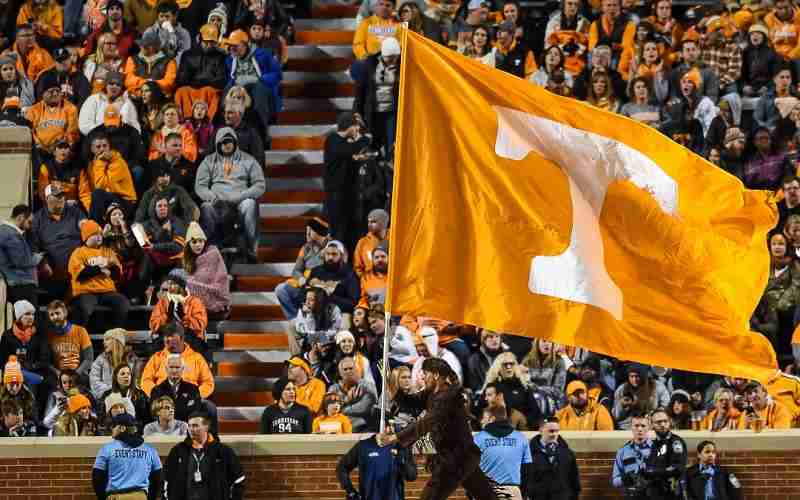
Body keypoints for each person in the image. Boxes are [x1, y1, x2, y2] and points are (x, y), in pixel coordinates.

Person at [377, 358, 496, 500]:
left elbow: (427, 422)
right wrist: (391, 383)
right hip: (462, 458)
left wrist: (394, 437)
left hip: (455, 460)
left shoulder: (449, 396)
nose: (422, 377)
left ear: (436, 375)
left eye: (425, 373)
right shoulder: (431, 393)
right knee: (487, 497)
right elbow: (410, 403)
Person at [195, 127, 265, 262]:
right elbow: (200, 186)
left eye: (228, 142)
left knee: (250, 204)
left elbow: (260, 185)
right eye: (221, 143)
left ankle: (252, 249)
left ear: (235, 142)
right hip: (217, 203)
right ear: (217, 144)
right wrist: (212, 197)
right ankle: (210, 248)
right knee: (205, 207)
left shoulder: (248, 160)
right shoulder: (208, 161)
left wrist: (243, 195)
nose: (225, 145)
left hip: (240, 201)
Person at [67, 219, 129, 329]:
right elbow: (81, 274)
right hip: (85, 292)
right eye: (95, 234)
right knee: (83, 308)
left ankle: (114, 335)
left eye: (100, 234)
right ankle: (79, 338)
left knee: (122, 303)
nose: (99, 237)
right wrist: (101, 268)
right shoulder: (78, 253)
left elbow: (117, 273)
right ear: (87, 238)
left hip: (107, 291)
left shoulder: (108, 251)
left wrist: (96, 269)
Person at [223, 28, 281, 138]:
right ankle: (228, 131)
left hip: (259, 85)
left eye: (236, 45)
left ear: (245, 45)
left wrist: (259, 80)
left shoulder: (263, 54)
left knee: (259, 91)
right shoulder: (230, 60)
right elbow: (231, 78)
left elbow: (277, 73)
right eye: (231, 45)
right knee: (227, 93)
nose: (232, 48)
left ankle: (262, 133)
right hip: (239, 86)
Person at [324, 113, 371, 247]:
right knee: (338, 231)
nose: (357, 130)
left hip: (347, 194)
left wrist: (358, 159)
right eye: (356, 127)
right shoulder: (333, 140)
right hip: (336, 195)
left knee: (349, 231)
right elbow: (351, 149)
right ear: (349, 127)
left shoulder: (343, 143)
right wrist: (366, 138)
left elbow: (348, 156)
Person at [93, 412, 162, 500]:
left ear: (122, 428)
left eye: (114, 426)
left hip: (116, 496)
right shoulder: (150, 450)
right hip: (141, 496)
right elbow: (158, 478)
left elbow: (97, 478)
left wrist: (102, 497)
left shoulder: (107, 449)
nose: (112, 429)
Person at [337, 427, 417, 500]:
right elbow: (342, 467)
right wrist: (351, 492)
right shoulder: (364, 446)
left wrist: (401, 456)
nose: (391, 428)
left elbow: (411, 476)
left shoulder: (401, 447)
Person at [276, 217, 330, 321]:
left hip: (321, 286)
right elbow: (296, 270)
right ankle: (297, 320)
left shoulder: (331, 247)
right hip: (305, 284)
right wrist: (301, 279)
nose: (307, 233)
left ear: (319, 232)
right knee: (281, 289)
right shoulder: (306, 248)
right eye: (306, 230)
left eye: (310, 230)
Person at [473, 405, 532, 500]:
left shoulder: (477, 439)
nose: (481, 421)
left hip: (485, 491)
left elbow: (471, 470)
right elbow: (527, 470)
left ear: (491, 419)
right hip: (512, 491)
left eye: (484, 418)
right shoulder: (521, 438)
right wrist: (523, 493)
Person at [149, 271, 209, 359]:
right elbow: (153, 325)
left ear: (182, 286)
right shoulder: (163, 302)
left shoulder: (195, 302)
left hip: (190, 338)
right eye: (169, 284)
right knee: (154, 348)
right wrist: (166, 317)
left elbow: (201, 324)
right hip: (167, 337)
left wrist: (184, 317)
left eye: (173, 284)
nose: (169, 287)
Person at [79, 133, 137, 222]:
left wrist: (100, 162)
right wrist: (90, 208)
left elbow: (102, 186)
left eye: (105, 146)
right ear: (92, 149)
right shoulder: (90, 165)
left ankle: (95, 228)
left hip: (125, 201)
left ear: (109, 147)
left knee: (98, 193)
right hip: (104, 200)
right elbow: (86, 193)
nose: (102, 149)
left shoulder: (117, 162)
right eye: (98, 147)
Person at [174, 23, 227, 122]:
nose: (209, 45)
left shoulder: (220, 56)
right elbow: (181, 79)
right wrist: (188, 79)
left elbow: (222, 79)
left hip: (209, 89)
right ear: (199, 39)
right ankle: (186, 120)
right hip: (190, 88)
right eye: (206, 41)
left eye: (212, 42)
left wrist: (202, 82)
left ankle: (207, 121)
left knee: (210, 92)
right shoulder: (188, 55)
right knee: (181, 91)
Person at [182, 222, 231, 316]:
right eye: (194, 242)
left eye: (201, 241)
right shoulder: (186, 260)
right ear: (188, 244)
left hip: (215, 301)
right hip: (194, 302)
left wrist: (191, 284)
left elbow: (221, 284)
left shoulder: (213, 254)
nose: (198, 245)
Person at [527, 417, 581, 500]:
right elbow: (526, 478)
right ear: (541, 430)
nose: (554, 434)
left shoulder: (567, 453)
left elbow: (574, 480)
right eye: (551, 431)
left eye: (557, 431)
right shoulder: (529, 453)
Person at [0, 300, 49, 388]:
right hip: (13, 375)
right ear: (19, 316)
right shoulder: (7, 335)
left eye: (32, 314)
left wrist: (32, 366)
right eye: (27, 314)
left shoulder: (39, 335)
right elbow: (2, 361)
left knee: (33, 381)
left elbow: (45, 360)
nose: (31, 317)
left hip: (34, 373)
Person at [45, 299, 94, 385]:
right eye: (51, 315)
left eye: (57, 313)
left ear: (65, 313)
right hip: (59, 374)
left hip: (79, 373)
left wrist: (76, 374)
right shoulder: (49, 335)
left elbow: (89, 358)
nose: (55, 317)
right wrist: (57, 373)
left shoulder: (80, 331)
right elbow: (47, 361)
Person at [135, 162, 198, 226]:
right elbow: (140, 214)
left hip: (175, 225)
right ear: (156, 178)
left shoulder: (178, 190)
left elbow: (190, 208)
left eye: (167, 175)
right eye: (161, 176)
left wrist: (189, 223)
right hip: (153, 227)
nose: (165, 178)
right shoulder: (148, 194)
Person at [0, 205, 39, 306]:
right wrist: (38, 258)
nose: (29, 226)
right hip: (21, 285)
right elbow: (21, 261)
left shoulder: (5, 232)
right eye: (29, 222)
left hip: (16, 284)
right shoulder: (10, 234)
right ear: (20, 218)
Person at [149, 353, 203, 425]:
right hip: (164, 431)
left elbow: (196, 413)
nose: (174, 371)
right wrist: (183, 410)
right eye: (171, 367)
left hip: (187, 430)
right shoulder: (157, 390)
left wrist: (168, 412)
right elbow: (155, 414)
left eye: (177, 367)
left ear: (183, 369)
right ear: (166, 369)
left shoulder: (193, 389)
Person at [646, 408, 687, 500]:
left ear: (670, 422)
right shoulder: (653, 444)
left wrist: (653, 472)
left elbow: (678, 467)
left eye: (665, 421)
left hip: (671, 492)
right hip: (655, 492)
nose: (663, 425)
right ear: (652, 425)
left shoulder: (676, 442)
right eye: (658, 422)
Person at [329, 356, 378, 431]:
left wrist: (342, 408)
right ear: (340, 373)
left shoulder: (367, 386)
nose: (348, 371)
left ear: (356, 370)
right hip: (339, 427)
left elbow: (364, 408)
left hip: (363, 426)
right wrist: (346, 400)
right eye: (345, 369)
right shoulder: (334, 388)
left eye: (351, 368)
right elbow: (330, 410)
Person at [123, 27, 177, 96]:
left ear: (154, 47)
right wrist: (148, 83)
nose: (142, 47)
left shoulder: (169, 61)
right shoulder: (132, 59)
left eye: (146, 45)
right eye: (142, 44)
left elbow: (169, 83)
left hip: (160, 97)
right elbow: (128, 81)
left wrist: (149, 87)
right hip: (137, 96)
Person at [612, 412, 653, 499]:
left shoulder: (657, 449)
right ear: (631, 427)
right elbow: (615, 481)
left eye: (643, 426)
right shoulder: (623, 451)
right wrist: (624, 479)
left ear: (649, 427)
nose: (640, 429)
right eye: (636, 425)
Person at [353, 209, 389, 279]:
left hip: (393, 284)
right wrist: (366, 281)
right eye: (368, 222)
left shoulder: (395, 240)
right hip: (372, 286)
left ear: (383, 223)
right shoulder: (362, 243)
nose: (369, 224)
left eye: (373, 222)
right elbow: (357, 267)